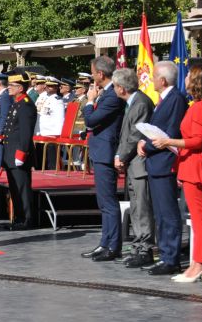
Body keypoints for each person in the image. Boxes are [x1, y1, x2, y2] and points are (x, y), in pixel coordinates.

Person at [151, 64, 202, 282]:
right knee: (197, 218)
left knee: (199, 218)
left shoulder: (201, 107)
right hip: (190, 162)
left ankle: (201, 263)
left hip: (196, 164)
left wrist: (168, 141)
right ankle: (196, 263)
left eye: (188, 75)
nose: (185, 78)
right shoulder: (199, 105)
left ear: (195, 80)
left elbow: (196, 140)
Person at [136, 61, 188, 275]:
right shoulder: (164, 99)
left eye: (154, 75)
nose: (150, 79)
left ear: (163, 80)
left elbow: (170, 131)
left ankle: (171, 258)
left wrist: (147, 146)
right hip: (157, 162)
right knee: (160, 212)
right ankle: (165, 254)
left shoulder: (175, 99)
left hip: (165, 162)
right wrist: (143, 140)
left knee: (167, 213)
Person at [81, 56, 125, 262]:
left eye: (92, 72)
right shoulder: (106, 94)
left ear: (100, 74)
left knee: (108, 202)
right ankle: (105, 242)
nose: (91, 76)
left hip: (107, 152)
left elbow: (91, 120)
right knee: (103, 201)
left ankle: (113, 245)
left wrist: (90, 101)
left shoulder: (112, 96)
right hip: (100, 151)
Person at [112, 68, 156, 268]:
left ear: (121, 88)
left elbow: (135, 135)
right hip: (133, 164)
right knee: (137, 207)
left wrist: (121, 156)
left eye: (114, 86)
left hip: (140, 164)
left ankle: (145, 248)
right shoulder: (132, 103)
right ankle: (138, 246)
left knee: (143, 208)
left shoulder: (140, 103)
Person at [0, 72, 37, 230]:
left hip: (18, 154)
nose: (8, 88)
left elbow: (25, 132)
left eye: (12, 86)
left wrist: (22, 153)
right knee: (15, 188)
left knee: (22, 189)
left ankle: (26, 219)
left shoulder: (26, 104)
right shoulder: (17, 102)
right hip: (11, 152)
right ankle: (19, 218)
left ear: (20, 88)